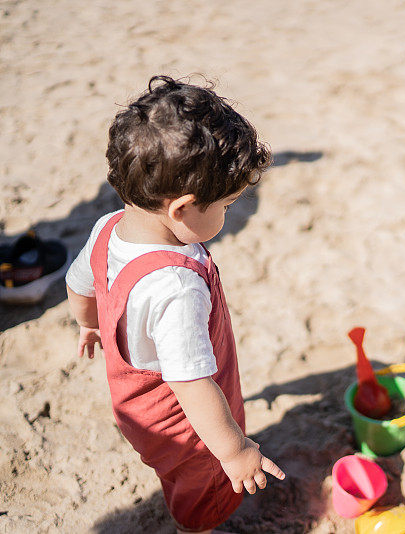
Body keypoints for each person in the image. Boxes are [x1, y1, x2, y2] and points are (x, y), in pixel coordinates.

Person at [65, 75, 285, 534]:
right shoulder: (176, 286)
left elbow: (79, 283)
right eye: (226, 206)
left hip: (137, 406)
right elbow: (190, 382)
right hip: (185, 426)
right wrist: (233, 451)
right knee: (200, 491)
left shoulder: (109, 228)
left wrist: (88, 325)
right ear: (182, 209)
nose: (228, 215)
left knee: (177, 474)